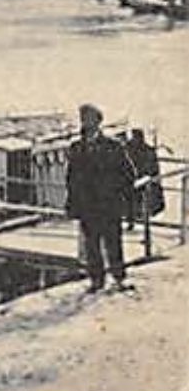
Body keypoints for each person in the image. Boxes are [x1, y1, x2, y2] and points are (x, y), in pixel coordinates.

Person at [65, 105, 135, 293]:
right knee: (92, 245)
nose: (86, 122)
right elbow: (71, 179)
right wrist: (72, 204)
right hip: (87, 205)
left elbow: (128, 174)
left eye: (89, 118)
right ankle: (96, 280)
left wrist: (118, 195)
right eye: (83, 118)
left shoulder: (114, 146)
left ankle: (119, 278)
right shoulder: (76, 148)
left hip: (109, 204)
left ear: (98, 121)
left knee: (113, 242)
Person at [125, 130, 164, 229]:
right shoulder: (128, 148)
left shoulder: (147, 151)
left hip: (145, 180)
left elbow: (152, 169)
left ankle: (136, 221)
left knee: (139, 195)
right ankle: (131, 220)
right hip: (132, 180)